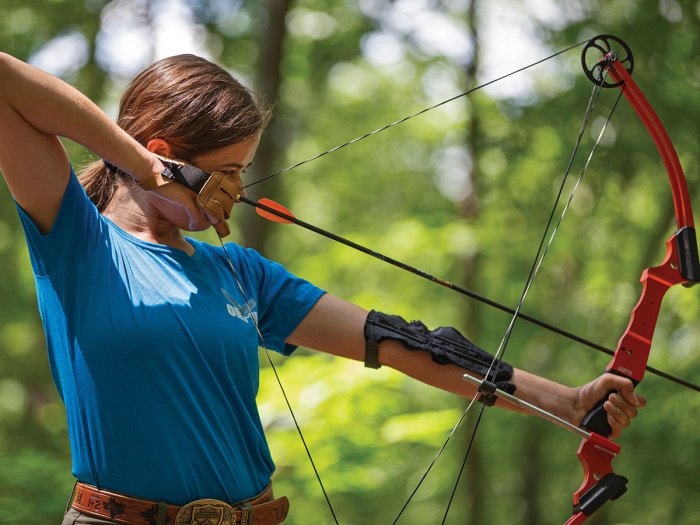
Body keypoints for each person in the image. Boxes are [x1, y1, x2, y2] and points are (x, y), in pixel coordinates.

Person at [0, 52, 644, 525]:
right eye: (224, 174)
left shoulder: (241, 273)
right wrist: (144, 167)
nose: (236, 195)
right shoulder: (77, 239)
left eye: (243, 174)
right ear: (166, 154)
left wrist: (565, 402)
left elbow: (399, 343)